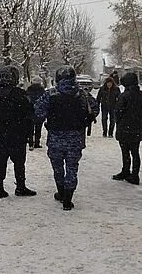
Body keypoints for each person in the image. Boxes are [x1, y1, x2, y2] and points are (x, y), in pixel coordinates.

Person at [35, 66, 97, 211]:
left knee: (57, 168)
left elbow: (38, 112)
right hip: (76, 138)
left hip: (56, 137)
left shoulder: (50, 94)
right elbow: (94, 109)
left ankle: (61, 192)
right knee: (72, 168)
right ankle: (68, 199)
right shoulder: (82, 94)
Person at [0, 65, 37, 199]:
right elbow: (29, 112)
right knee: (19, 161)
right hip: (17, 132)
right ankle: (20, 186)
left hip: (0, 131)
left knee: (1, 159)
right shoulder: (19, 93)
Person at [113, 72, 142, 185]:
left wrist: (120, 121)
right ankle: (135, 175)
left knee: (125, 152)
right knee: (135, 152)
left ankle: (126, 171)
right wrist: (138, 116)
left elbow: (118, 111)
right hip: (137, 127)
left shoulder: (124, 96)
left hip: (124, 128)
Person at [25, 76, 46, 150]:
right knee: (38, 128)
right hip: (39, 113)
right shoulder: (42, 90)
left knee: (30, 129)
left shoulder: (28, 90)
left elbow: (26, 101)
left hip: (30, 112)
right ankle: (37, 142)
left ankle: (31, 143)